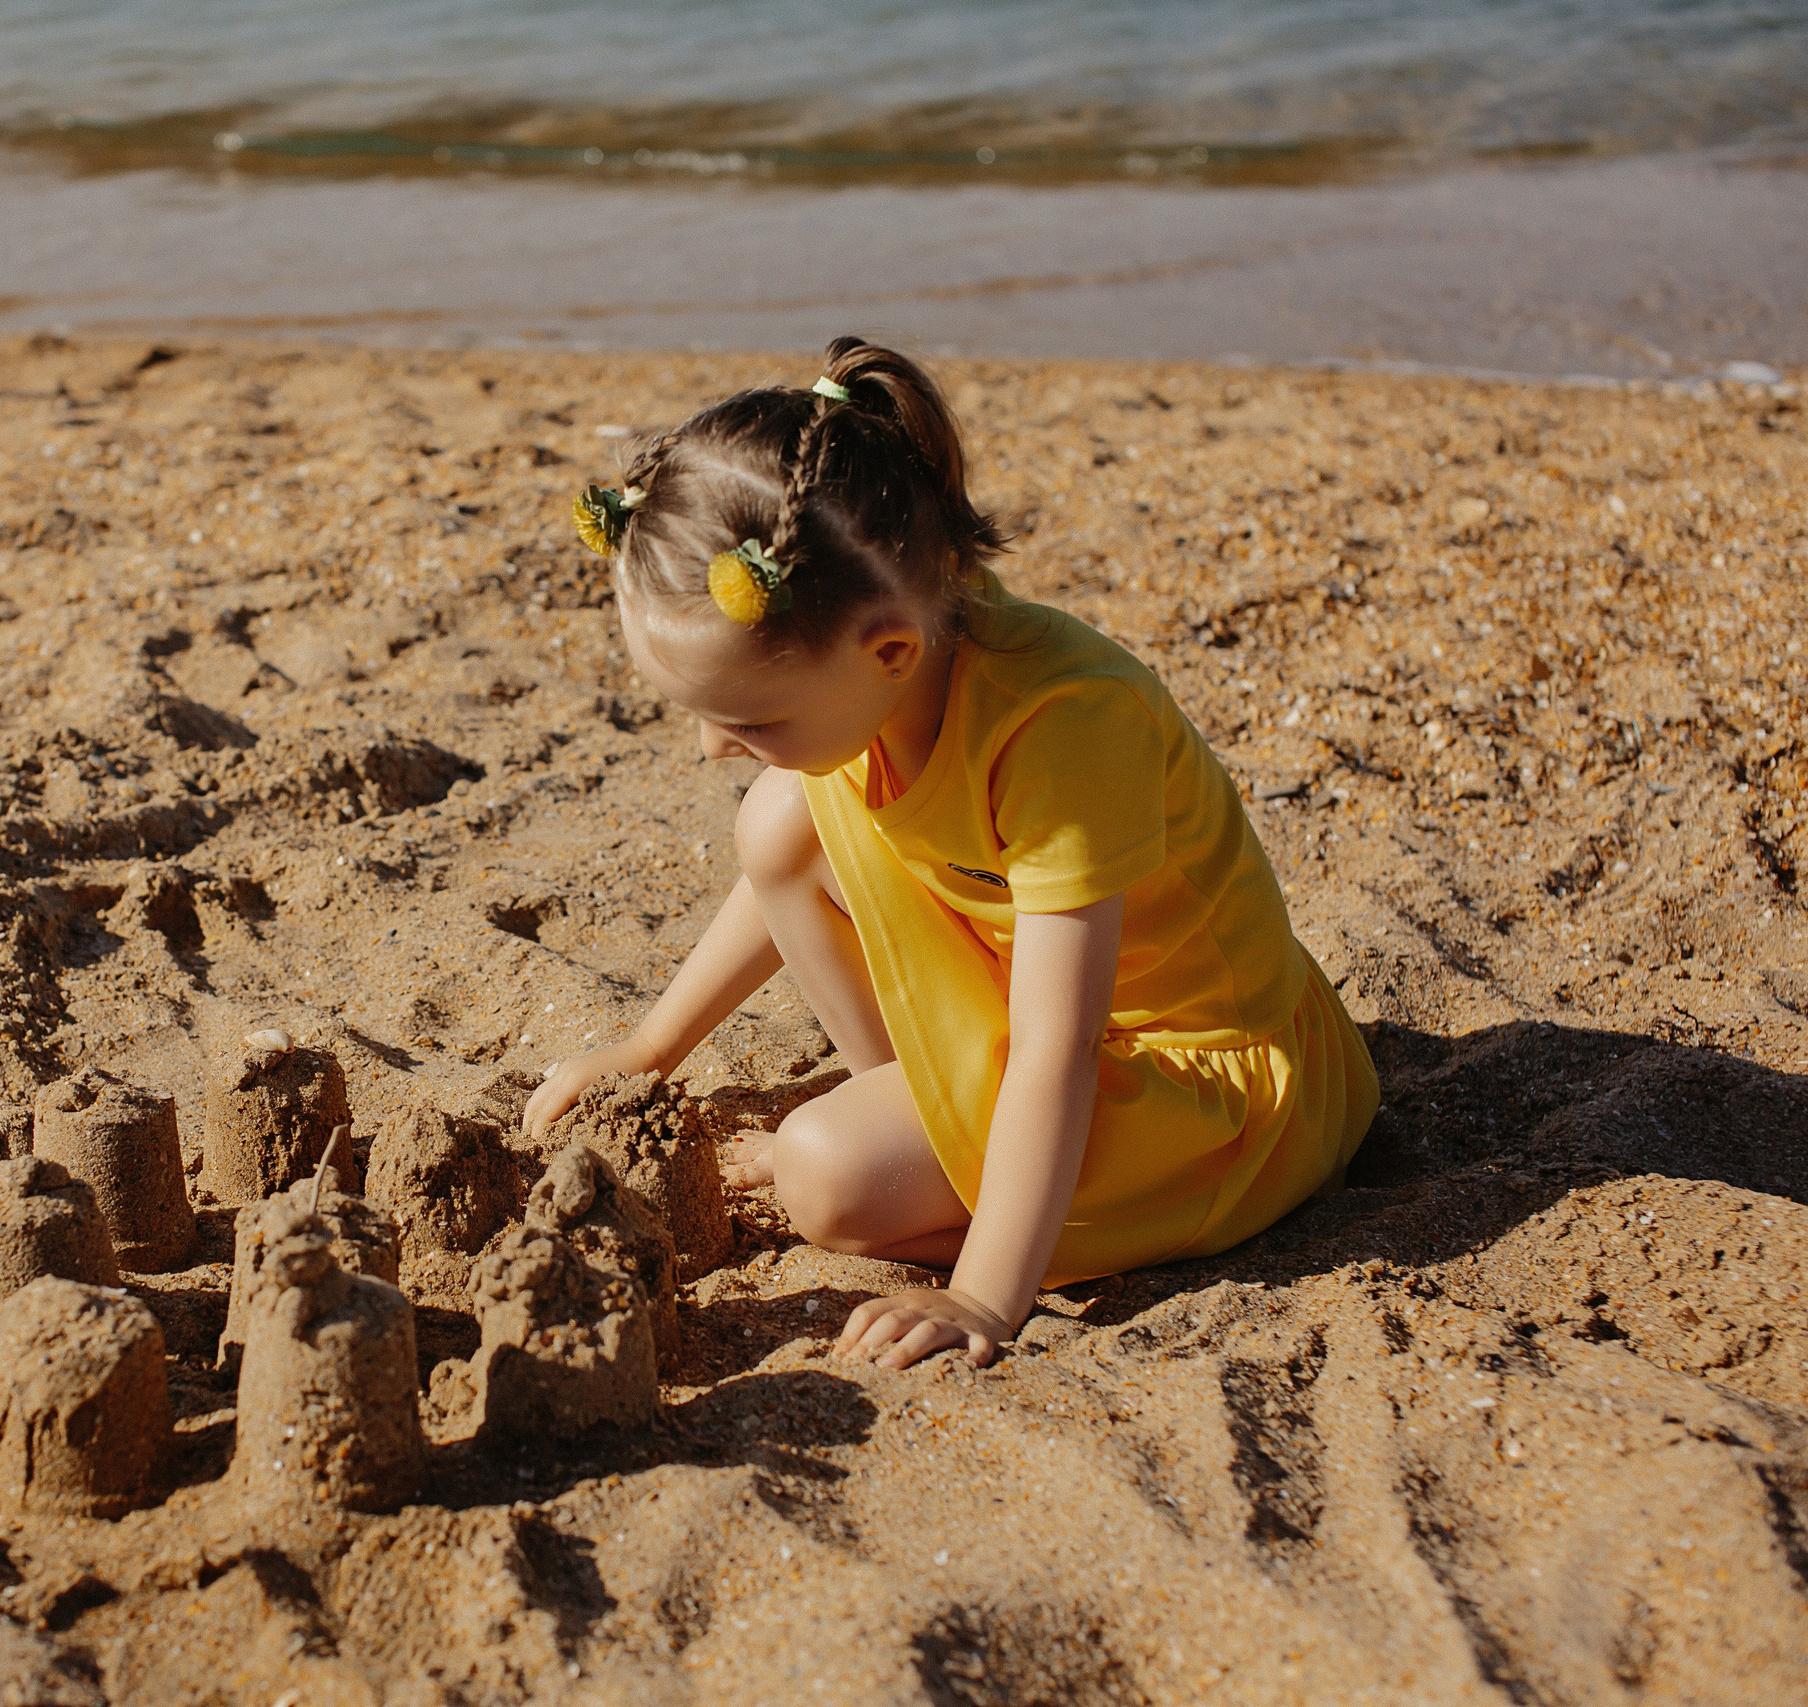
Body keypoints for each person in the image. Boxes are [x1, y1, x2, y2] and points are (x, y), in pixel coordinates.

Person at [521, 336, 1378, 1371]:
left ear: (887, 650)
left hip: (1205, 1094)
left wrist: (983, 1297)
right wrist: (648, 1049)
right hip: (1038, 1021)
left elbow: (1056, 1051)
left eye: (748, 718)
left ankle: (945, 1184)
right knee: (777, 821)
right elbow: (776, 873)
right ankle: (916, 1125)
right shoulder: (887, 682)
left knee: (826, 1175)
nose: (712, 746)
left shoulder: (1064, 728)